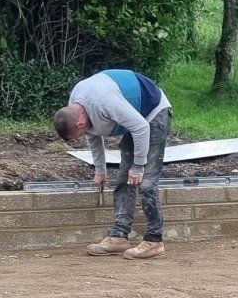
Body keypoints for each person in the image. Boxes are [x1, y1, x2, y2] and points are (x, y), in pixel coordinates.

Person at [52, 69, 172, 260]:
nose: (82, 136)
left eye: (79, 134)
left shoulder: (104, 101)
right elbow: (92, 135)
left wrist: (139, 166)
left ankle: (154, 240)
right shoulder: (75, 107)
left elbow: (141, 127)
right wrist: (100, 170)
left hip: (153, 113)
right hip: (135, 119)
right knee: (124, 181)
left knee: (146, 184)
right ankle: (119, 237)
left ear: (80, 124)